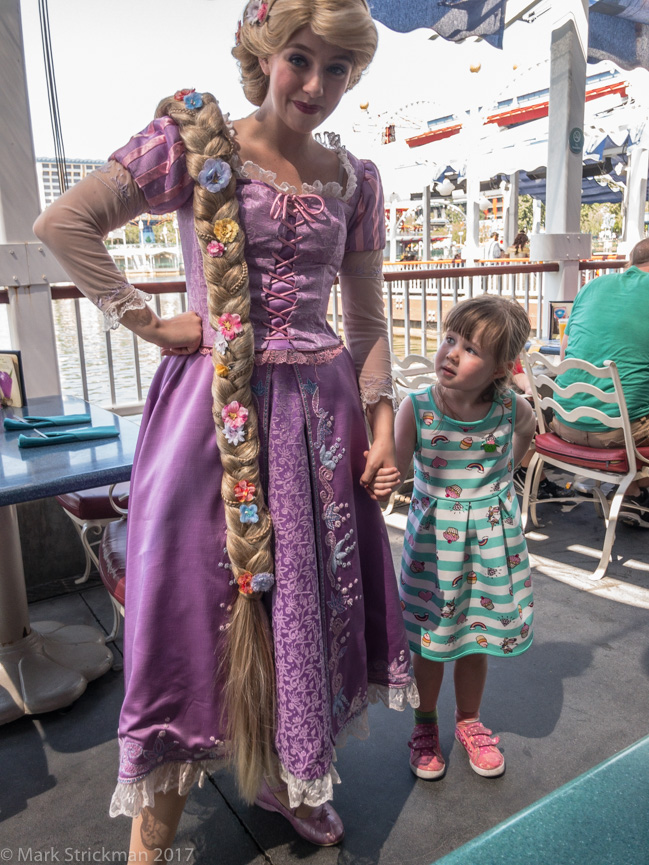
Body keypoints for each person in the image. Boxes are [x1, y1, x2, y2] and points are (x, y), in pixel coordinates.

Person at [34, 0, 418, 854]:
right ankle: (152, 831)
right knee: (190, 609)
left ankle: (287, 776)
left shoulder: (354, 179)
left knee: (307, 610)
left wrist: (383, 426)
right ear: (265, 53)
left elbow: (367, 319)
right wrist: (147, 317)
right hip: (214, 417)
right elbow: (64, 222)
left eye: (336, 68)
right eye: (299, 60)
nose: (315, 84)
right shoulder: (193, 141)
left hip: (323, 425)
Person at [369, 295, 536, 780]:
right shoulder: (417, 407)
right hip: (434, 553)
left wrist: (507, 471)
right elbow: (397, 471)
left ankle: (469, 720)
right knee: (431, 643)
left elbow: (528, 430)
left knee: (476, 639)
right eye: (450, 340)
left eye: (470, 349)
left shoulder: (508, 407)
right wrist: (382, 480)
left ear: (502, 367)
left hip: (491, 545)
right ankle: (425, 724)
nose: (451, 353)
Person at [552, 237, 649, 526]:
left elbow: (564, 352)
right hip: (620, 435)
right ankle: (634, 493)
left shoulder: (593, 285)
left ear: (630, 262)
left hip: (564, 424)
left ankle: (632, 492)